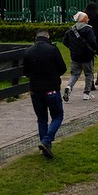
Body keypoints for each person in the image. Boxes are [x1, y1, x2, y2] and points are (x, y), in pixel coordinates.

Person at [23, 30, 67, 158]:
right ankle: (46, 141)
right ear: (48, 37)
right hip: (51, 88)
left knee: (42, 118)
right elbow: (62, 68)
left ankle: (45, 148)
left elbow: (25, 72)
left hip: (35, 90)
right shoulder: (52, 49)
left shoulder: (28, 51)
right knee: (57, 115)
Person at [62, 11, 98, 101]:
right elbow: (93, 42)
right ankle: (87, 93)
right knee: (88, 74)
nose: (88, 19)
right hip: (86, 56)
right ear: (83, 19)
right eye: (86, 18)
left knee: (74, 74)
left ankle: (69, 87)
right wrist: (94, 49)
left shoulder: (71, 30)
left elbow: (65, 42)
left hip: (75, 56)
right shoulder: (88, 29)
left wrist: (72, 48)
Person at [85, 2, 98, 89]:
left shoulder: (85, 16)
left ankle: (91, 83)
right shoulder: (97, 16)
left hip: (88, 41)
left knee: (91, 64)